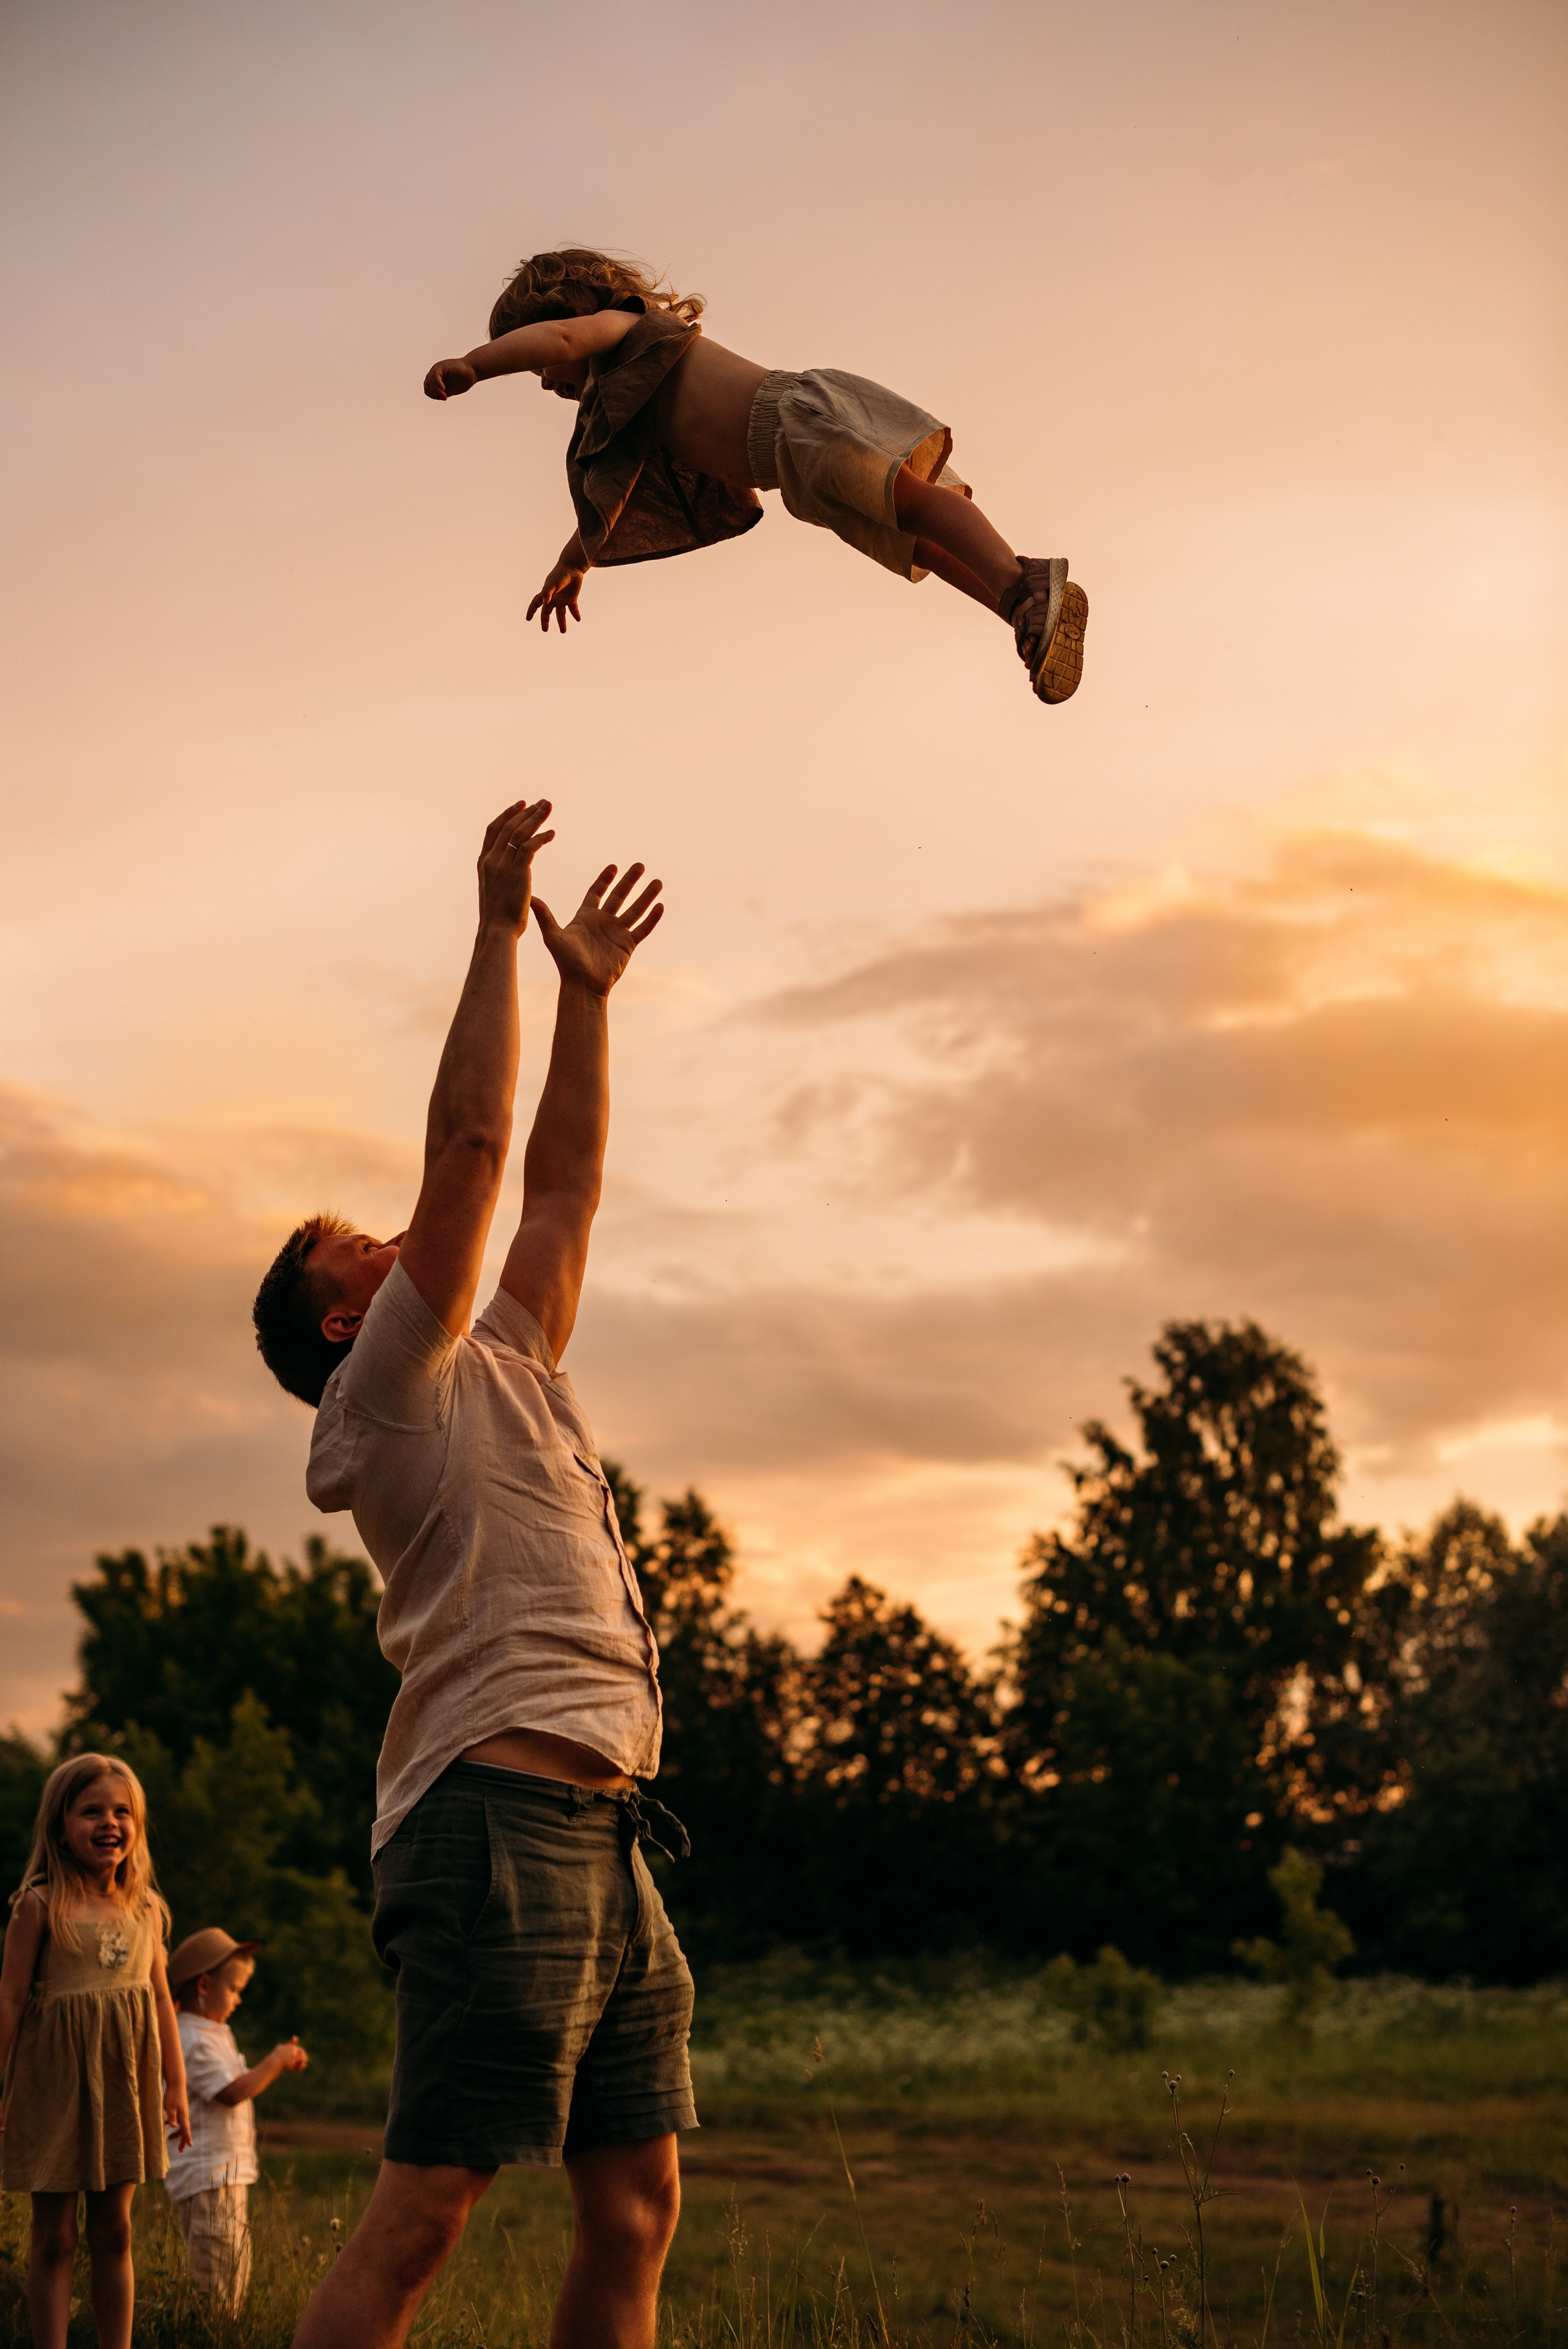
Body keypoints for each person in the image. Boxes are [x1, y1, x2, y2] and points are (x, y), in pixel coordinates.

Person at [251, 801, 688, 2349]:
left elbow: (555, 1190)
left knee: (636, 2200)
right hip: (491, 1820)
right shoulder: (384, 1389)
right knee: (428, 2207)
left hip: (605, 1822)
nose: (389, 1240)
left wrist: (582, 995)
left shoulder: (501, 1353)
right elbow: (474, 1155)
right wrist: (498, 925)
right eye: (354, 1249)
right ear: (334, 1325)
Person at [423, 244, 1088, 706]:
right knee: (910, 540)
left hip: (794, 420)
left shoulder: (622, 327)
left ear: (568, 313)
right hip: (792, 471)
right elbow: (615, 498)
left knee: (909, 504)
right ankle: (1021, 610)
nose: (544, 380)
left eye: (536, 363)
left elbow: (564, 344)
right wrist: (574, 563)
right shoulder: (630, 402)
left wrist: (476, 365)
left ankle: (1018, 576)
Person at [0, 1755, 190, 2349]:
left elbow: (162, 2003)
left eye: (121, 1811)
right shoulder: (38, 1906)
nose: (109, 1823)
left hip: (123, 2086)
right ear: (60, 1826)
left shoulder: (146, 1911)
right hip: (52, 2087)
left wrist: (176, 2085)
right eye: (91, 1811)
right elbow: (9, 2000)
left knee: (115, 2231)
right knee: (54, 2234)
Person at [164, 1928, 310, 2312]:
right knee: (218, 2276)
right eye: (234, 1989)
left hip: (225, 2173)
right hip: (208, 2175)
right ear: (204, 1984)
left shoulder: (215, 2032)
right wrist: (276, 2061)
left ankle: (222, 2330)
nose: (239, 1999)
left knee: (233, 2267)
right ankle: (214, 2335)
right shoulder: (190, 2038)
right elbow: (231, 2092)